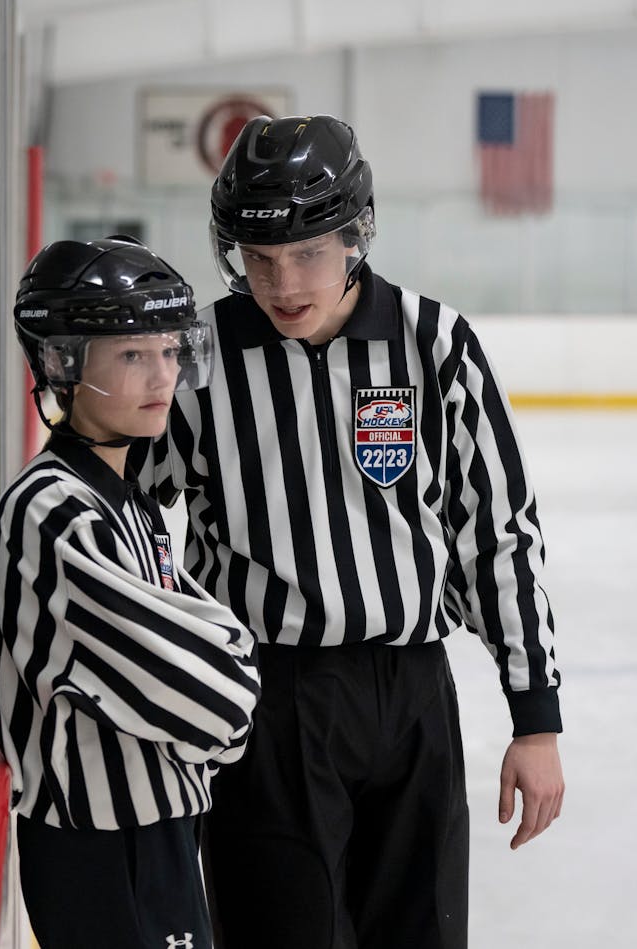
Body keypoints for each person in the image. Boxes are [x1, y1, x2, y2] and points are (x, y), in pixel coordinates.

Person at [134, 115, 565, 948]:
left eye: (308, 254)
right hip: (265, 698)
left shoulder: (435, 344)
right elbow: (130, 512)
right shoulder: (200, 357)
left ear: (356, 236)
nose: (282, 282)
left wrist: (535, 716)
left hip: (411, 699)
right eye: (259, 260)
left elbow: (497, 532)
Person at [0, 236, 261, 949]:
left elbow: (224, 648)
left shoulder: (126, 500)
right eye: (133, 355)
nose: (162, 374)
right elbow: (215, 695)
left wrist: (227, 655)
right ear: (61, 362)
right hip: (103, 847)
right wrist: (229, 665)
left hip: (155, 835)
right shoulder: (55, 508)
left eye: (169, 351)